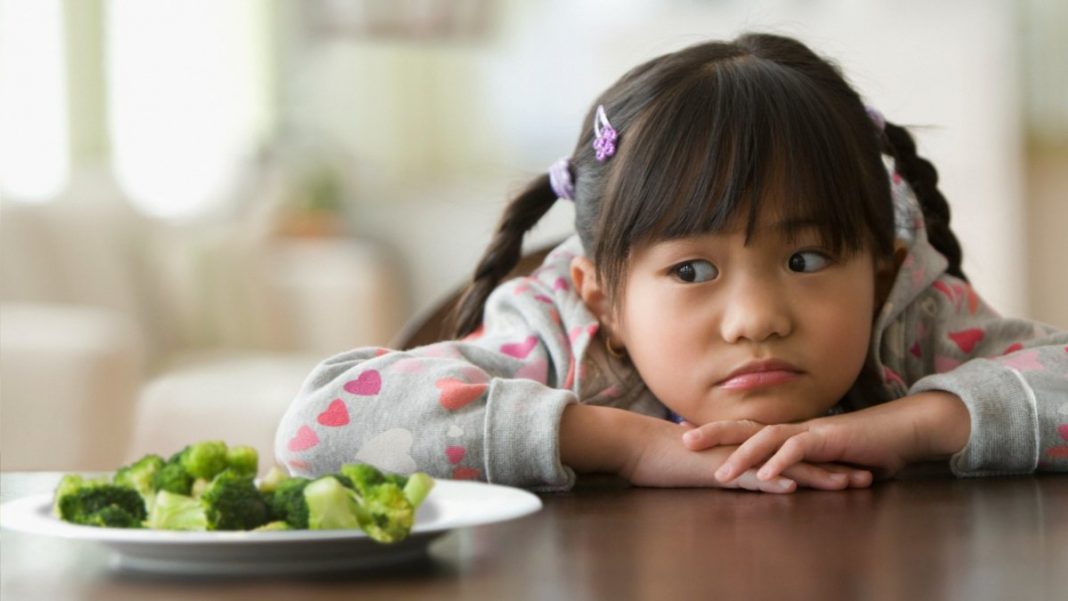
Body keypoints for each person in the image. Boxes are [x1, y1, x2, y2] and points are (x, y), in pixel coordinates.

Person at [275, 33, 1068, 493]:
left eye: (806, 256)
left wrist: (916, 425)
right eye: (693, 271)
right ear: (605, 299)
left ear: (884, 272)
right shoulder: (565, 341)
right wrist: (624, 444)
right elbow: (317, 430)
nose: (758, 317)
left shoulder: (910, 320)